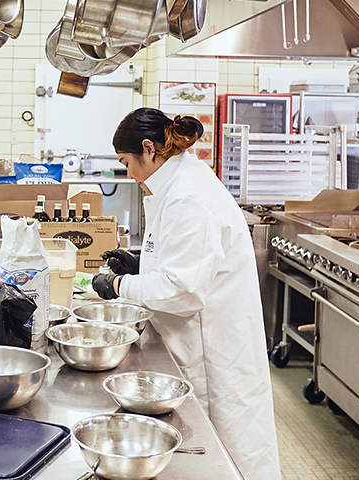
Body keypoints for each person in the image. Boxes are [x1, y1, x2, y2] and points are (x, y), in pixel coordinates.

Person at [92, 108, 281, 480]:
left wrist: (117, 285)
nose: (128, 174)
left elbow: (182, 291)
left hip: (214, 350)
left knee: (226, 454)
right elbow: (181, 260)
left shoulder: (188, 197)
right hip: (198, 337)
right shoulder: (178, 182)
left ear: (149, 149)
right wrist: (140, 265)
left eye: (127, 162)